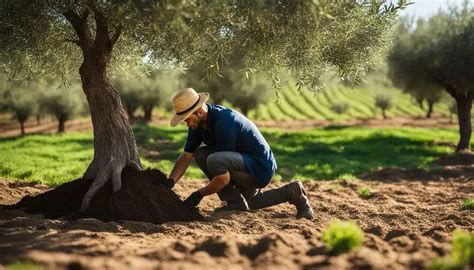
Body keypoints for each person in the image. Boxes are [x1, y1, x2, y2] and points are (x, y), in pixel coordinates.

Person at [163, 88, 314, 219]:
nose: (188, 124)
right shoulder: (198, 124)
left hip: (259, 168)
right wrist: (170, 183)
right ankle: (293, 191)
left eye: (187, 119)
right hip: (241, 163)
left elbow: (222, 178)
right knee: (202, 155)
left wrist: (198, 195)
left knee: (214, 160)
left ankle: (234, 202)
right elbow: (186, 156)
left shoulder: (225, 121)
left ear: (199, 111)